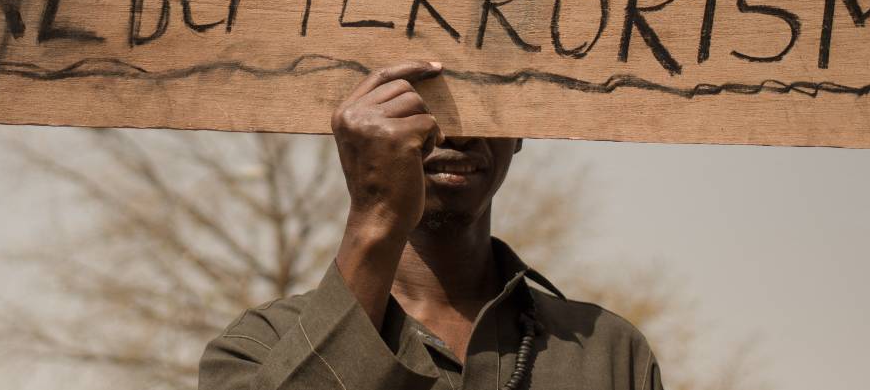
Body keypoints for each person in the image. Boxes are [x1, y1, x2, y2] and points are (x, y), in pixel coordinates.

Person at [200, 60, 663, 390]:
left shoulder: (606, 353)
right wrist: (375, 213)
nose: (456, 134)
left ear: (524, 129)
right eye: (419, 101)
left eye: (488, 99)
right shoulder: (260, 345)